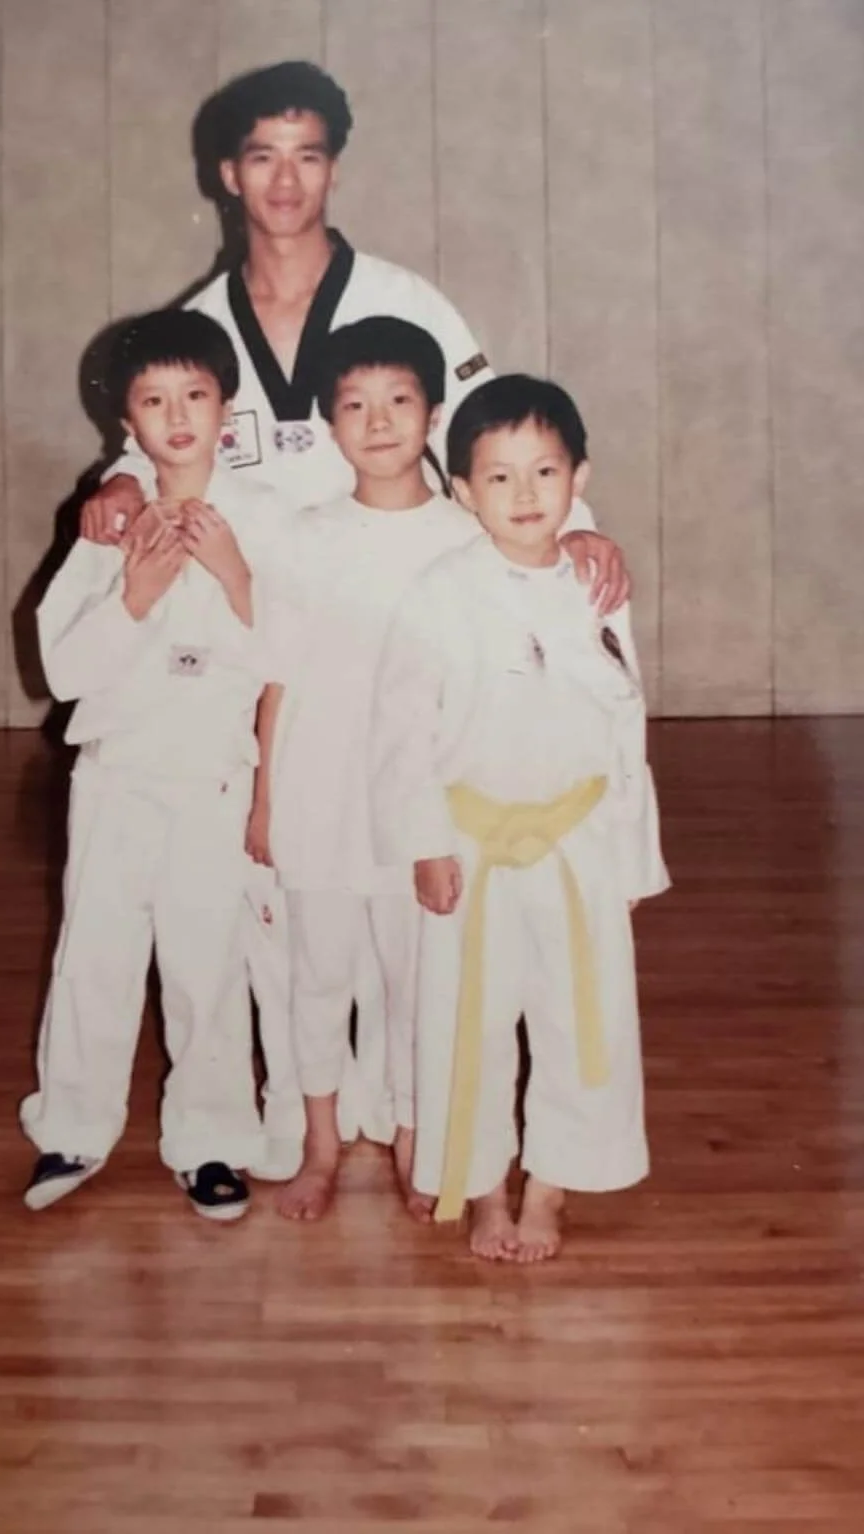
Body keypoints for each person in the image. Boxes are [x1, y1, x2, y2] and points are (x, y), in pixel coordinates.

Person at [77, 61, 630, 1181]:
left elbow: (497, 433)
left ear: (334, 166)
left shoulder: (408, 303)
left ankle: (417, 1115)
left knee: (412, 908)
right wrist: (124, 481)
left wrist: (574, 531)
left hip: (409, 629)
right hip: (264, 644)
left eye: (309, 155)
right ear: (226, 174)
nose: (286, 181)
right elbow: (153, 435)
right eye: (264, 157)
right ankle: (304, 1121)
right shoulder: (201, 323)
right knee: (285, 905)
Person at [371, 375, 669, 1261]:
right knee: (468, 1022)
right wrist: (426, 843)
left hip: (579, 841)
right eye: (499, 477)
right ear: (464, 491)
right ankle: (485, 1189)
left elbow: (624, 721)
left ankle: (551, 1186)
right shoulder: (440, 591)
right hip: (474, 844)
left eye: (545, 470)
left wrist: (631, 858)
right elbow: (404, 731)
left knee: (582, 1019)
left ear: (580, 477)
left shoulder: (596, 585)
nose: (526, 494)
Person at [19, 309, 291, 1217]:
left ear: (227, 408)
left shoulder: (265, 521)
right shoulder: (112, 524)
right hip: (118, 775)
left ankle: (211, 1141)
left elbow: (291, 659)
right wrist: (133, 596)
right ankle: (71, 1129)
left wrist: (236, 574)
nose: (177, 416)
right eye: (153, 400)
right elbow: (63, 670)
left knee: (207, 963)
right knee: (95, 955)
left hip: (215, 777)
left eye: (195, 395)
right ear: (126, 420)